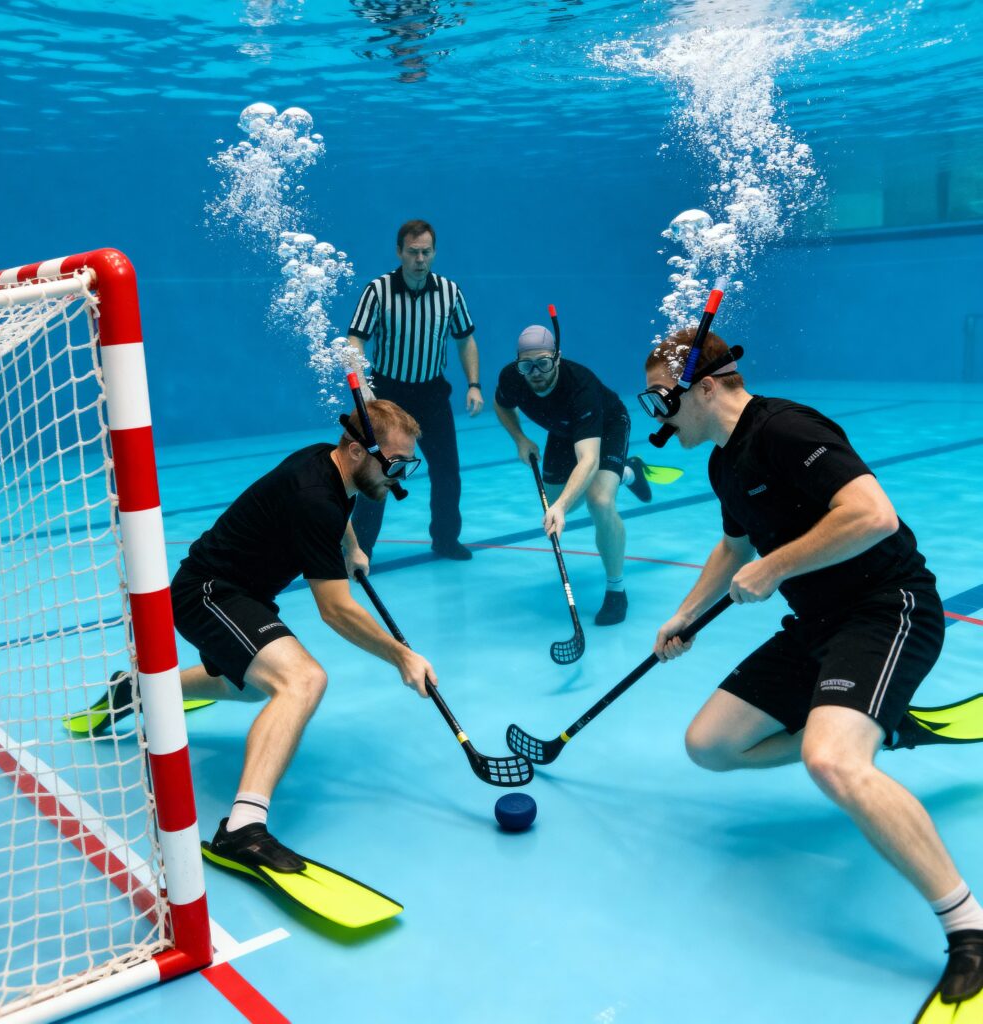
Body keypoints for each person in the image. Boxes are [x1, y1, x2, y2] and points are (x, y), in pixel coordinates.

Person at [641, 327, 983, 1005]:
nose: (656, 417)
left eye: (659, 399)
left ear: (702, 389)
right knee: (710, 746)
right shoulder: (722, 463)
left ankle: (967, 925)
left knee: (832, 761)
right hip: (818, 627)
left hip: (886, 610)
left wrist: (778, 565)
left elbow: (873, 514)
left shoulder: (787, 429)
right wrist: (684, 614)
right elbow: (734, 548)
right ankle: (884, 724)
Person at [143, 400, 435, 870]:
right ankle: (242, 828)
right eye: (396, 464)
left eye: (408, 465)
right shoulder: (313, 498)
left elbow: (340, 505)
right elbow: (336, 611)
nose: (401, 477)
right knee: (301, 680)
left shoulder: (328, 460)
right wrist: (402, 656)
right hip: (208, 593)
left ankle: (140, 692)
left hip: (245, 593)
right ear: (357, 452)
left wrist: (352, 547)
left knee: (246, 688)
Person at [494, 324, 653, 626]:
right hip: (563, 431)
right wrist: (520, 439)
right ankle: (628, 472)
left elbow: (589, 459)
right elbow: (501, 406)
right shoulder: (512, 378)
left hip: (607, 425)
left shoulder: (581, 386)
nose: (535, 372)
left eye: (543, 362)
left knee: (599, 501)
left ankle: (616, 590)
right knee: (556, 501)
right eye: (527, 365)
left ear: (557, 357)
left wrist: (562, 506)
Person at [346, 219, 483, 563]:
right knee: (378, 470)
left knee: (447, 470)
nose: (420, 259)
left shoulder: (450, 292)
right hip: (388, 394)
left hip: (432, 394)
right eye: (413, 252)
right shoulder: (378, 290)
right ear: (399, 252)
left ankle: (446, 539)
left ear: (434, 252)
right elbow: (355, 339)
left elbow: (465, 339)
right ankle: (361, 549)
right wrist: (362, 387)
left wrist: (474, 385)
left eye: (426, 252)